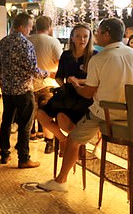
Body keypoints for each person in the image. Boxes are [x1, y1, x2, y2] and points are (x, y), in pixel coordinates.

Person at [39, 18, 133, 192]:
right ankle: (97, 146)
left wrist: (76, 85)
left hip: (105, 113)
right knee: (67, 119)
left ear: (106, 34)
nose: (95, 36)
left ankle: (61, 181)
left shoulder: (99, 58)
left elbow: (87, 93)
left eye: (98, 32)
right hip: (131, 115)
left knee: (73, 140)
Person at [0, 12, 47, 169]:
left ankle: (4, 154)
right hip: (23, 90)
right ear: (23, 26)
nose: (30, 30)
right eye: (30, 27)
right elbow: (32, 69)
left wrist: (1, 80)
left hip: (7, 90)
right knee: (25, 124)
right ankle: (23, 158)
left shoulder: (3, 43)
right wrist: (45, 74)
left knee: (6, 121)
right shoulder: (26, 44)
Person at [36, 24, 96, 155]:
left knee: (63, 119)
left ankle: (74, 144)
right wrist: (64, 86)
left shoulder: (94, 56)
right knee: (40, 114)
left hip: (84, 96)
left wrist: (78, 81)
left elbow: (97, 80)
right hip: (67, 93)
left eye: (85, 36)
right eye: (78, 36)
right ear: (72, 38)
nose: (82, 39)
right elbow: (59, 77)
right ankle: (63, 140)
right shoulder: (66, 55)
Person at [28, 16, 63, 153]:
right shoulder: (53, 42)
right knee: (47, 114)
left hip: (30, 83)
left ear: (36, 26)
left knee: (30, 113)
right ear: (49, 27)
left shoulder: (28, 40)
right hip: (48, 83)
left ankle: (29, 137)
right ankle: (49, 144)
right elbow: (61, 61)